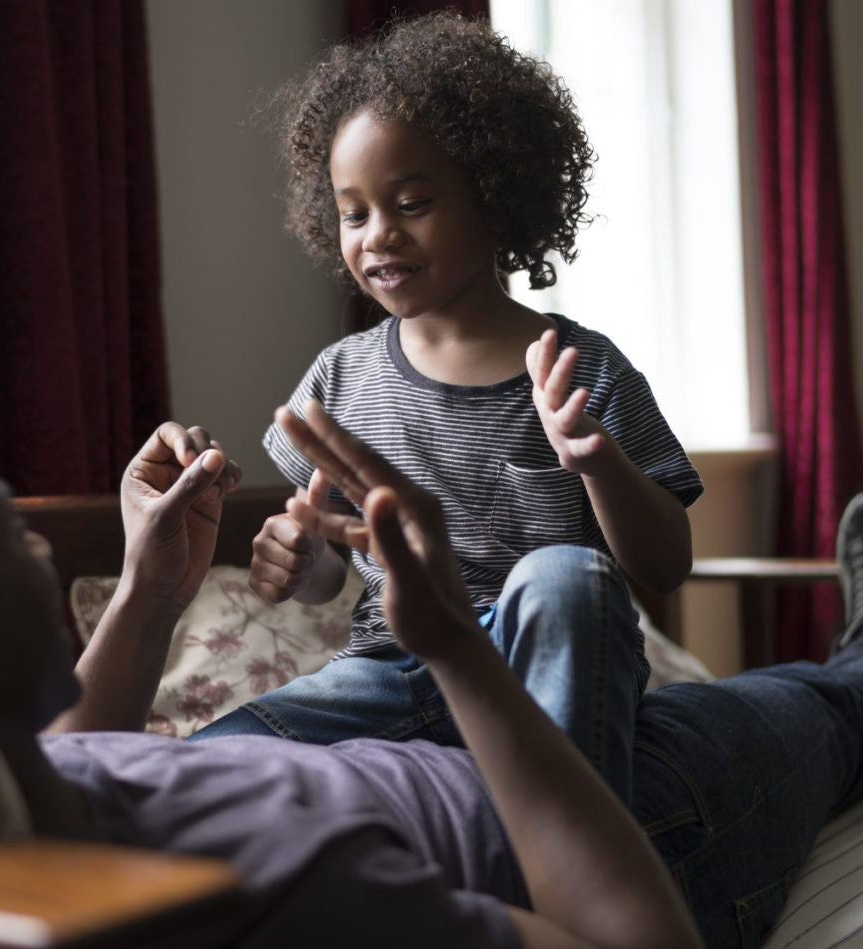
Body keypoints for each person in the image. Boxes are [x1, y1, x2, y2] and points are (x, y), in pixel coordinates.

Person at [0, 416, 863, 948]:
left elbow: (70, 737)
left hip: (491, 767)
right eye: (2, 532)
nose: (31, 544)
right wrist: (455, 647)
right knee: (837, 710)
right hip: (609, 823)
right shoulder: (257, 883)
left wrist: (154, 582)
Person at [190, 13, 703, 804]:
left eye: (413, 202)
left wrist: (597, 458)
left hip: (537, 682)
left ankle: (568, 840)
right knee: (202, 762)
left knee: (566, 575)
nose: (378, 236)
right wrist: (299, 557)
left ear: (496, 197)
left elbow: (666, 565)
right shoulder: (338, 378)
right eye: (354, 213)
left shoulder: (582, 368)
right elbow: (331, 566)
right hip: (390, 675)